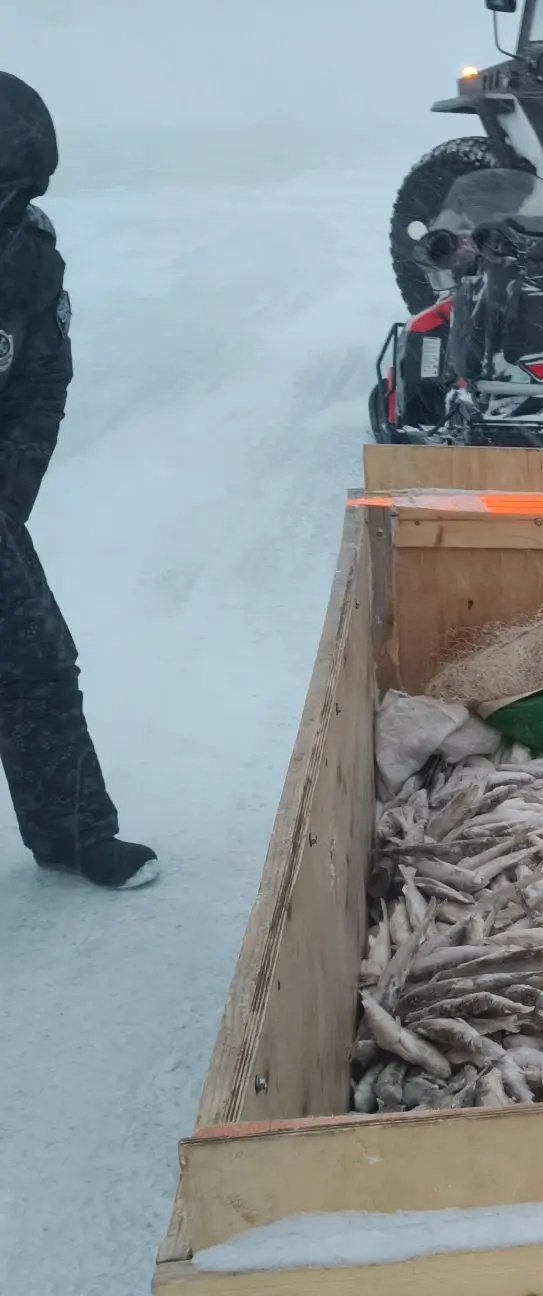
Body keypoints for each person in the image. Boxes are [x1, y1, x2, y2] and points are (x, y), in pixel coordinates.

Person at [0, 72, 157, 888]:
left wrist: (8, 493)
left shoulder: (28, 256)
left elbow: (38, 386)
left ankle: (72, 831)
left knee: (34, 663)